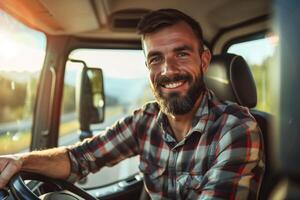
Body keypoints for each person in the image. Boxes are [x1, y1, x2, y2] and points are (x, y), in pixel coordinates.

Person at [0, 9, 264, 199]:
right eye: (155, 59)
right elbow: (79, 158)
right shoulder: (145, 120)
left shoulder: (236, 129)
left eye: (181, 54)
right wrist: (18, 162)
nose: (168, 71)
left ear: (203, 60)